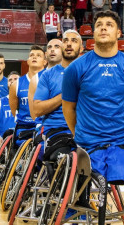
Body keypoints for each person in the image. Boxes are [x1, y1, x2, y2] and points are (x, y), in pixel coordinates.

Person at [62, 10, 124, 191]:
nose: (103, 28)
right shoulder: (76, 68)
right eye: (99, 25)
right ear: (93, 32)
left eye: (109, 25)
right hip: (88, 141)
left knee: (119, 178)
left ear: (118, 33)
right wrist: (79, 133)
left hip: (121, 140)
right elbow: (68, 107)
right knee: (86, 185)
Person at [33, 29, 83, 161]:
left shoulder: (89, 72)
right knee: (62, 161)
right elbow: (37, 110)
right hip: (57, 130)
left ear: (81, 47)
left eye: (74, 41)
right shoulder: (48, 75)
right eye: (65, 41)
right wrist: (65, 95)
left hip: (85, 129)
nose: (69, 44)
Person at [8, 46, 47, 149]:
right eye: (31, 55)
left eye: (38, 56)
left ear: (45, 61)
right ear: (28, 61)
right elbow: (13, 109)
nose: (34, 57)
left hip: (44, 125)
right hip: (25, 126)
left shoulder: (49, 80)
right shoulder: (16, 84)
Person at [28, 39, 63, 120]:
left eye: (57, 47)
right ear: (46, 54)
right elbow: (34, 113)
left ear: (63, 51)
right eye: (49, 47)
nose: (52, 49)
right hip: (45, 127)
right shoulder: (36, 79)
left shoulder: (71, 73)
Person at [0, 71, 20, 148]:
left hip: (22, 138)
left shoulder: (27, 101)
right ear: (7, 84)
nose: (12, 81)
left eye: (16, 79)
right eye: (10, 80)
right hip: (4, 140)